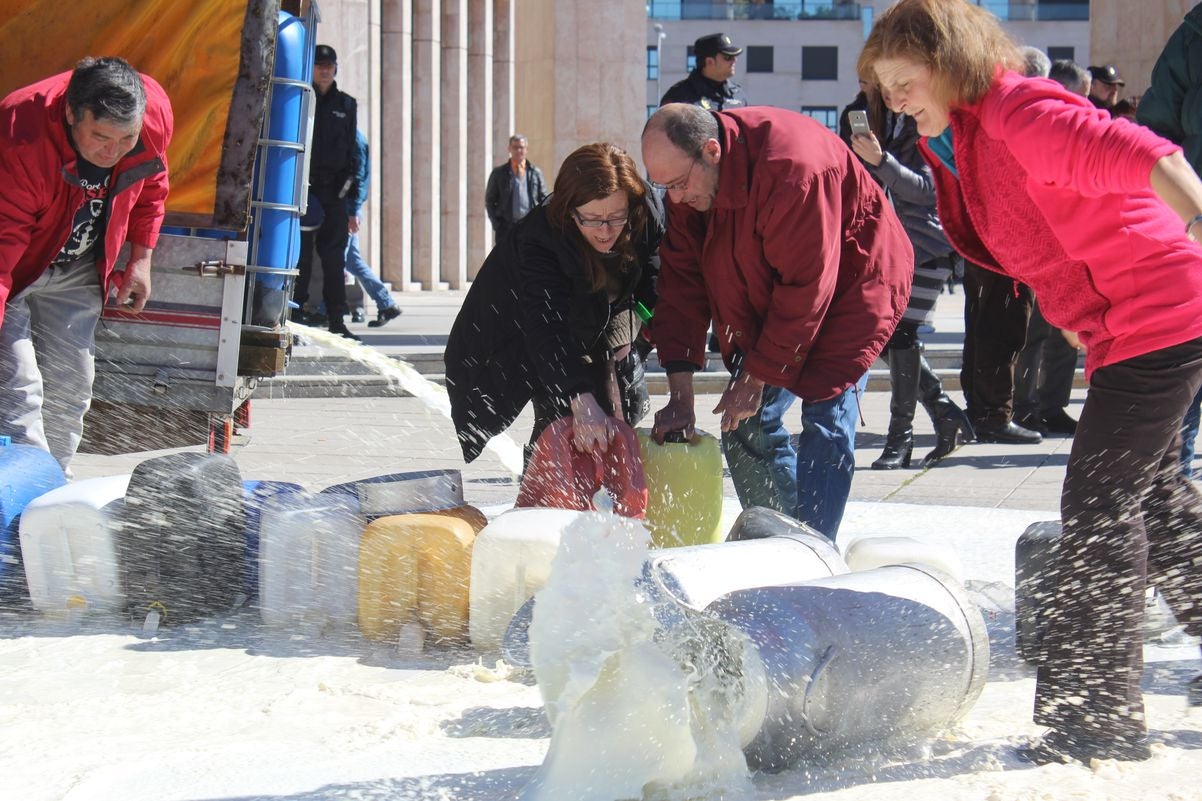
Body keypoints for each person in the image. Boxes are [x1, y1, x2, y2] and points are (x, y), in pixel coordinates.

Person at [861, 0, 1202, 764]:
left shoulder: (1019, 111)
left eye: (903, 79)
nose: (893, 97)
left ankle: (1096, 717)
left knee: (1099, 500)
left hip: (1163, 307)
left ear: (948, 62)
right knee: (1149, 493)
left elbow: (1150, 155)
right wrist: (1082, 310)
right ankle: (1100, 705)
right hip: (1125, 319)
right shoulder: (967, 137)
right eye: (884, 86)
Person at [641, 104, 913, 540]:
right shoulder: (692, 185)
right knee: (744, 422)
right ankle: (782, 543)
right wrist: (681, 393)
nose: (674, 198)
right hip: (776, 289)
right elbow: (681, 284)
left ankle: (814, 555)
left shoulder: (793, 171)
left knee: (825, 418)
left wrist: (756, 377)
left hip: (852, 285)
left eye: (678, 184)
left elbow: (807, 287)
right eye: (663, 187)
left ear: (712, 151)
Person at [0, 57, 172, 472]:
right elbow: (3, 241)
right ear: (71, 113)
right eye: (99, 138)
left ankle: (55, 485)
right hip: (18, 267)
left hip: (80, 270)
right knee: (19, 388)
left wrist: (141, 259)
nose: (111, 153)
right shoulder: (19, 132)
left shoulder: (153, 113)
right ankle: (25, 497)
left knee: (72, 384)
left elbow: (151, 189)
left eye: (125, 140)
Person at [446, 143, 663, 463]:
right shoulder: (540, 237)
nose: (605, 232)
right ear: (569, 210)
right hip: (521, 335)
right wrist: (579, 396)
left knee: (621, 408)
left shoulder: (645, 212)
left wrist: (635, 333)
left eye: (616, 218)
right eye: (590, 219)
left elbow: (657, 289)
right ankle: (542, 495)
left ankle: (604, 500)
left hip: (597, 318)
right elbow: (545, 325)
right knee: (568, 419)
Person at [849, 92, 973, 469]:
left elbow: (926, 190)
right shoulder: (891, 122)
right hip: (892, 245)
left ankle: (900, 440)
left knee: (899, 336)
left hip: (926, 246)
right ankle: (945, 413)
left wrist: (881, 161)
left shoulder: (931, 122)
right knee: (886, 337)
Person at [1013, 59, 1093, 438]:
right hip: (1037, 247)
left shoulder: (1079, 129)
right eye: (1078, 96)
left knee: (1066, 335)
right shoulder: (1031, 128)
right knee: (1034, 334)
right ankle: (1024, 407)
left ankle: (1052, 406)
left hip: (1074, 248)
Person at [1141, 1, 1202, 477]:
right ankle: (1173, 528)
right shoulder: (1194, 36)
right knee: (1183, 399)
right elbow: (1154, 142)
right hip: (1195, 241)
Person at [293, 44, 359, 340]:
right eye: (319, 64)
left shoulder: (346, 105)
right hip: (304, 189)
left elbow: (352, 153)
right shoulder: (301, 99)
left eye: (328, 65)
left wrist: (350, 200)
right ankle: (294, 317)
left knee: (334, 261)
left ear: (335, 69)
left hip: (335, 193)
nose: (323, 69)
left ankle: (337, 319)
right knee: (301, 257)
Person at [344, 130, 401, 328]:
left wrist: (352, 211)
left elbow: (357, 178)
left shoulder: (354, 140)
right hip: (351, 208)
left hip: (349, 209)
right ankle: (386, 304)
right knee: (351, 260)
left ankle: (327, 308)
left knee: (342, 260)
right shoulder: (356, 138)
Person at [659, 33, 748, 111]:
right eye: (728, 57)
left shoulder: (738, 94)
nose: (734, 61)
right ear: (709, 61)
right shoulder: (679, 97)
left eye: (735, 57)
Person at [484, 134, 548, 243]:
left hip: (530, 227)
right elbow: (490, 201)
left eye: (521, 147)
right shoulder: (499, 173)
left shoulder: (535, 173)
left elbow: (544, 199)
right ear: (509, 149)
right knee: (506, 259)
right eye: (515, 147)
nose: (518, 150)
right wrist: (497, 225)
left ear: (526, 149)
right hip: (506, 228)